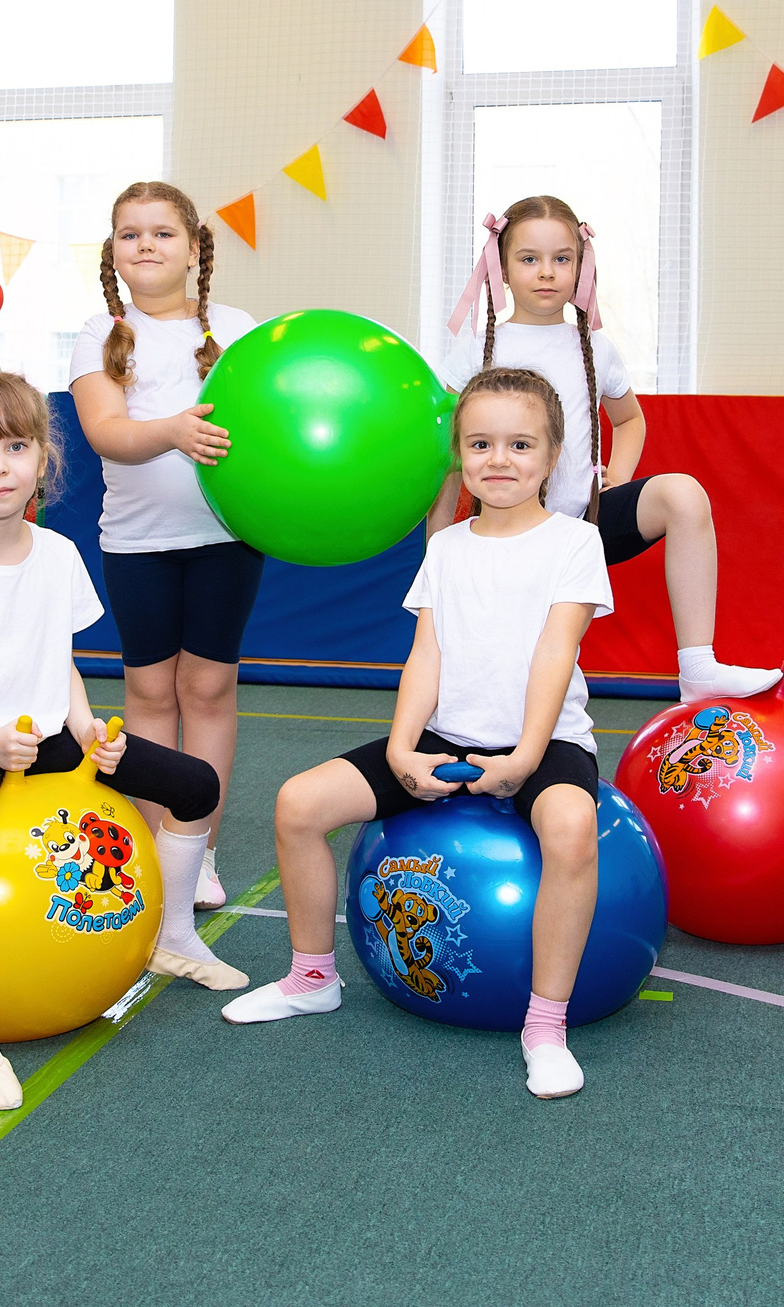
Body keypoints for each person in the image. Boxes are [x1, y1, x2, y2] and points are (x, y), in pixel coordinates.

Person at [223, 368, 612, 1100]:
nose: (499, 459)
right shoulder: (447, 546)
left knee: (570, 828)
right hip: (444, 735)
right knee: (297, 804)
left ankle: (546, 1024)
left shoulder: (573, 542)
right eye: (480, 443)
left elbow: (553, 654)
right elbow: (426, 653)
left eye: (520, 443)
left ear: (553, 454)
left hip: (544, 743)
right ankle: (311, 977)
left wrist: (524, 759)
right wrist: (402, 747)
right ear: (458, 454)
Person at [0, 373, 243, 1110]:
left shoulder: (58, 554)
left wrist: (85, 729)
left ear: (43, 459)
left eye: (16, 447)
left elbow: (61, 662)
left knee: (195, 784)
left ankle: (174, 934)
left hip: (47, 733)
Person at [432, 193, 778, 705]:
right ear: (501, 268)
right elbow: (448, 454)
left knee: (683, 495)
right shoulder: (479, 350)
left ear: (580, 266)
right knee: (522, 669)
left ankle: (698, 667)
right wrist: (438, 551)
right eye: (529, 259)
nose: (546, 272)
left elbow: (630, 418)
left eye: (561, 259)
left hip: (583, 524)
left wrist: (616, 472)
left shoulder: (594, 347)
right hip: (508, 530)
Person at [67, 181, 261, 910]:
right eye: (129, 233)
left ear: (194, 250)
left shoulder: (238, 329)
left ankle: (197, 848)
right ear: (113, 252)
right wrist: (174, 428)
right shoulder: (100, 332)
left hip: (226, 540)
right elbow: (106, 431)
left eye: (162, 233)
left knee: (207, 690)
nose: (145, 244)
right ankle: (153, 851)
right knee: (150, 691)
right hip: (136, 545)